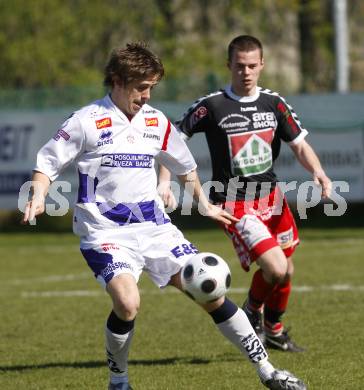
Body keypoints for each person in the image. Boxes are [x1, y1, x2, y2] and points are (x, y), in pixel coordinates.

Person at [22, 42, 306, 390]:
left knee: (209, 291)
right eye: (141, 87)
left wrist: (203, 201)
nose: (146, 96)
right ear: (116, 80)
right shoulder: (86, 120)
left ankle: (269, 372)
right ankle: (119, 381)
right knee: (128, 304)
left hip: (156, 229)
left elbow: (184, 166)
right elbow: (47, 162)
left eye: (151, 88)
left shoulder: (155, 121)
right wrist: (38, 194)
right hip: (105, 234)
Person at [159, 35, 332, 352]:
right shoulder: (211, 106)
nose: (246, 72)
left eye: (253, 65)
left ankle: (274, 330)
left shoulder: (274, 104)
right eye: (240, 66)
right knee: (276, 269)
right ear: (229, 66)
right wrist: (164, 181)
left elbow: (300, 145)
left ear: (262, 65)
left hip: (272, 200)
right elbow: (172, 140)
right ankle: (252, 312)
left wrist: (318, 171)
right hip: (235, 203)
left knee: (286, 270)